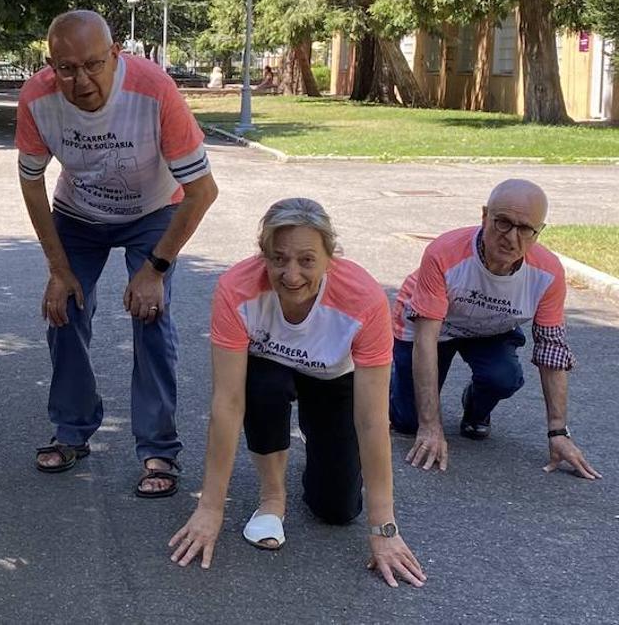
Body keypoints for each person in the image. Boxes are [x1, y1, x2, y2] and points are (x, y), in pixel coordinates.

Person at [169, 198, 425, 588]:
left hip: (333, 377)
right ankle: (273, 496)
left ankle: (317, 440)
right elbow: (227, 403)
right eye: (279, 259)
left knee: (338, 510)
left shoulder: (364, 299)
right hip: (269, 370)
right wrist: (210, 508)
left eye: (307, 260)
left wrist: (384, 528)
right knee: (261, 387)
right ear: (263, 256)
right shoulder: (237, 288)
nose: (291, 275)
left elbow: (372, 420)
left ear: (329, 257)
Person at [16, 10, 217, 496]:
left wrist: (156, 268)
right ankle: (72, 430)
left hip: (153, 210)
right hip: (78, 212)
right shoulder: (37, 98)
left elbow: (202, 191)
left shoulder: (153, 90)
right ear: (50, 65)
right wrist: (57, 270)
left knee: (151, 316)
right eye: (66, 68)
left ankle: (158, 449)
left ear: (115, 54)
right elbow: (31, 181)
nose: (81, 80)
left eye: (93, 64)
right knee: (63, 310)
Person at [389, 179, 600, 480]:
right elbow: (426, 341)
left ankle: (475, 407)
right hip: (433, 325)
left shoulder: (548, 273)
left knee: (504, 377)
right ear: (485, 215)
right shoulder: (444, 253)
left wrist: (558, 432)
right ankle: (388, 389)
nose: (511, 238)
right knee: (408, 422)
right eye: (502, 223)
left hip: (490, 329)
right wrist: (430, 426)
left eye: (525, 229)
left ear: (538, 232)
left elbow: (552, 351)